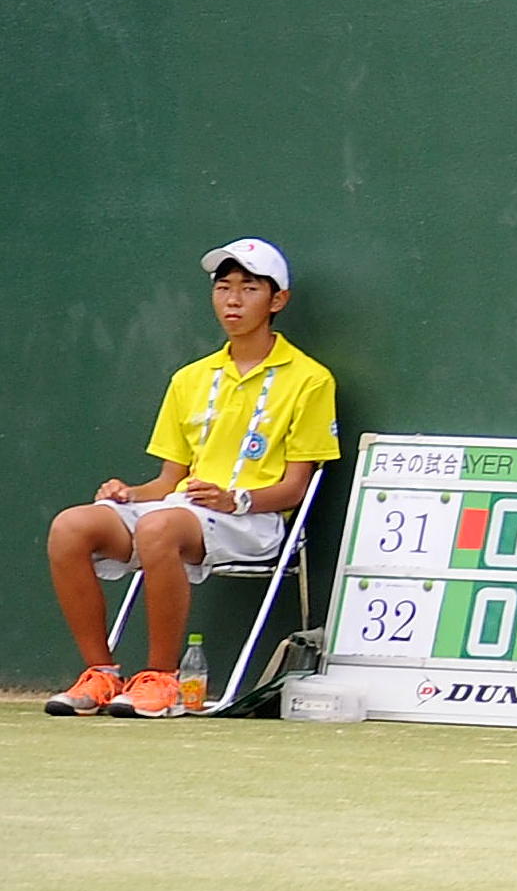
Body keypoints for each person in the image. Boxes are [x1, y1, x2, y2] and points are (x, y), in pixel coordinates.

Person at [41, 239, 338, 721]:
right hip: (181, 513)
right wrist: (127, 494)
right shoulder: (190, 379)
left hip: (254, 521)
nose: (233, 300)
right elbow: (168, 482)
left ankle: (161, 679)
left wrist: (234, 499)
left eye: (248, 288)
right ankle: (99, 673)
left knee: (160, 528)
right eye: (223, 288)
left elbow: (296, 489)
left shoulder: (310, 380)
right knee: (71, 526)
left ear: (277, 300)